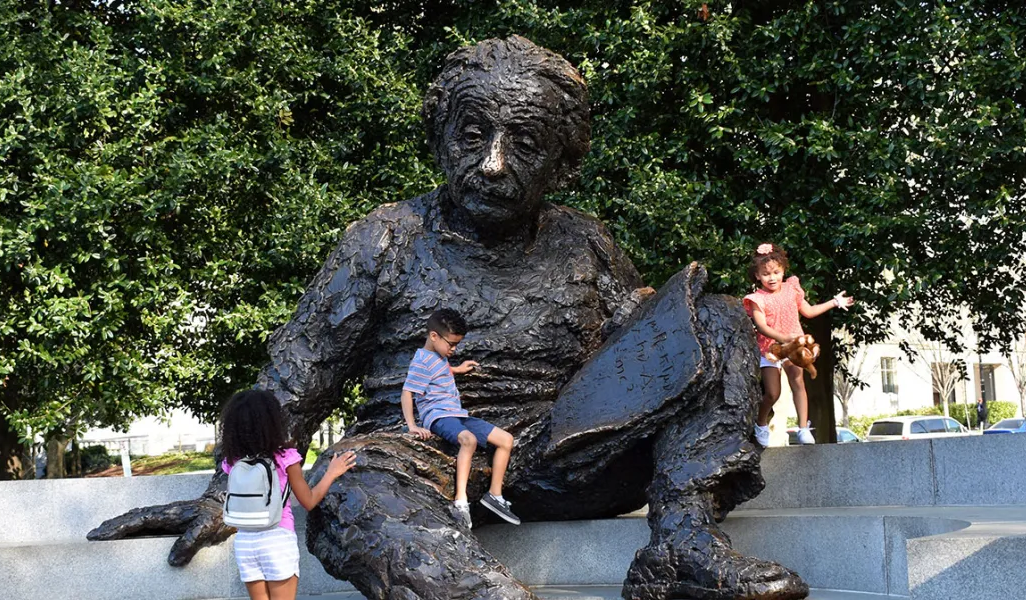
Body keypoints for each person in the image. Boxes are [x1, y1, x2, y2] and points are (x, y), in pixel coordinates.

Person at [91, 36, 811, 600]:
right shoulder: (385, 237)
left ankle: (681, 547)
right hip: (416, 457)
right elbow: (297, 374)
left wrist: (726, 348)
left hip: (567, 455)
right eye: (473, 136)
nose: (493, 165)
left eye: (524, 144)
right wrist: (231, 486)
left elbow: (648, 351)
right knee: (348, 489)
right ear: (440, 140)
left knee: (714, 317)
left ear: (562, 164)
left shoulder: (583, 238)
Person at [220, 389, 356, 600]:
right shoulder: (285, 458)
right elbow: (309, 502)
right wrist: (331, 473)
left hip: (245, 542)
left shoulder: (232, 461)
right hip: (277, 539)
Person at [402, 308, 520, 529]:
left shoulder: (437, 356)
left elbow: (439, 372)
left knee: (506, 440)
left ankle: (494, 495)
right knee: (469, 440)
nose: (454, 349)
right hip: (438, 416)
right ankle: (460, 502)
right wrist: (412, 425)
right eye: (451, 344)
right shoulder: (420, 361)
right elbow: (407, 392)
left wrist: (456, 369)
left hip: (457, 415)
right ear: (434, 336)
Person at [743, 243, 854, 447]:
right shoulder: (757, 299)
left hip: (795, 347)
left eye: (776, 272)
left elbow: (809, 311)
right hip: (770, 349)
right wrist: (784, 338)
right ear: (758, 276)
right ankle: (760, 423)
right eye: (766, 274)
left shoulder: (791, 289)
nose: (772, 277)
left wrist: (834, 302)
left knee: (798, 383)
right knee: (772, 393)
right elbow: (762, 327)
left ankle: (803, 428)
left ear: (784, 270)